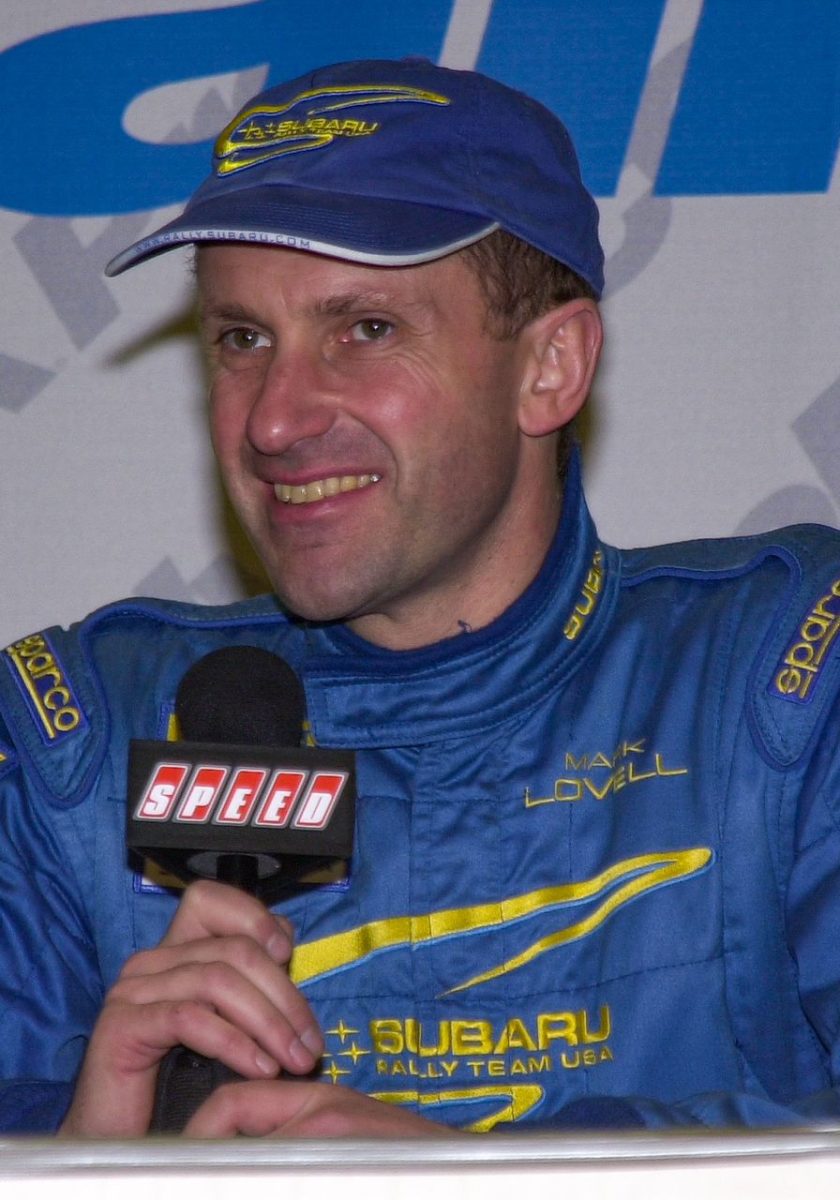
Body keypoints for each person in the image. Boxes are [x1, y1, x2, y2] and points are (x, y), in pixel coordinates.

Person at [1, 56, 839, 1139]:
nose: (274, 420)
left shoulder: (787, 679)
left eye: (366, 329)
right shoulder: (77, 735)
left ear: (550, 367)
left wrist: (468, 1183)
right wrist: (83, 1157)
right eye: (243, 339)